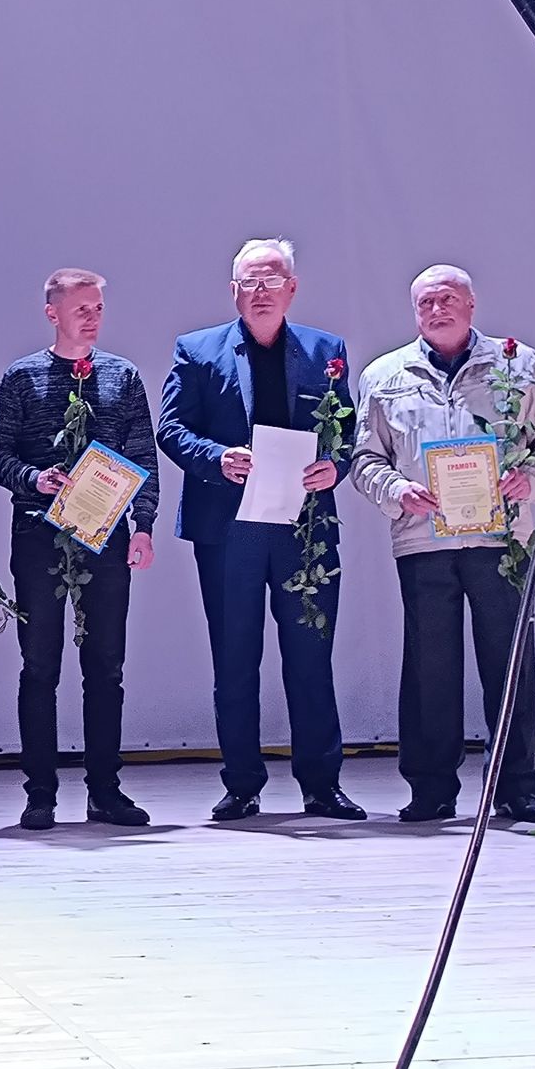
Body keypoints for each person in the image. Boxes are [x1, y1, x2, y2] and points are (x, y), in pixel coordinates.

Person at [157, 238, 365, 822]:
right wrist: (216, 458)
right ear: (234, 291)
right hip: (229, 528)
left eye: (272, 280)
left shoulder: (326, 350)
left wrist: (335, 466)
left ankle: (322, 785)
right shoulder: (197, 349)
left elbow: (346, 431)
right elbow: (171, 427)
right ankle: (242, 784)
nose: (261, 291)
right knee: (234, 658)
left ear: (292, 288)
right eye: (249, 281)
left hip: (304, 527)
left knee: (311, 656)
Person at [350, 265, 535, 823]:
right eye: (425, 302)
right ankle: (430, 789)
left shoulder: (518, 364)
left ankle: (516, 788)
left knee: (509, 663)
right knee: (430, 667)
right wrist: (397, 490)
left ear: (471, 304)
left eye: (446, 299)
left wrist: (530, 479)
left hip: (502, 538)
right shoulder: (384, 375)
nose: (436, 309)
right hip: (423, 540)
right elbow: (364, 458)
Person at [0, 270, 158, 831]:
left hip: (105, 535)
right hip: (38, 535)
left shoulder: (122, 376)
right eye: (81, 307)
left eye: (98, 307)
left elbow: (142, 456)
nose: (92, 317)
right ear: (52, 312)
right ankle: (40, 793)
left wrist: (144, 525)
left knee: (106, 666)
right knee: (40, 665)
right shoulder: (23, 377)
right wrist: (34, 479)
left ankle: (105, 790)